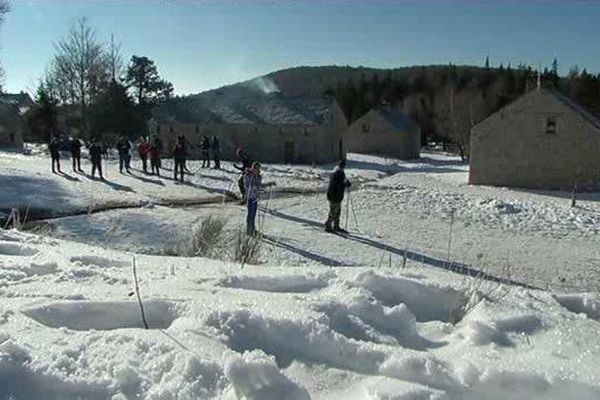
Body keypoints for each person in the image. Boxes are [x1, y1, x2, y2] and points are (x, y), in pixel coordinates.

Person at [325, 158, 351, 233]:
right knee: (333, 211)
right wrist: (345, 184)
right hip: (334, 195)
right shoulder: (337, 173)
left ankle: (336, 226)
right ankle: (328, 225)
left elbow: (341, 182)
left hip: (336, 195)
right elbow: (336, 184)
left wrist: (345, 183)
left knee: (337, 211)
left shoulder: (338, 172)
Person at [244, 162, 262, 235]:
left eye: (258, 169)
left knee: (253, 214)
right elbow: (246, 186)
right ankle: (249, 229)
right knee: (250, 214)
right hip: (250, 197)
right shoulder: (248, 175)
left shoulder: (258, 176)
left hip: (255, 197)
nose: (257, 170)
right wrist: (253, 187)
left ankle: (253, 229)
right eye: (256, 169)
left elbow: (259, 185)